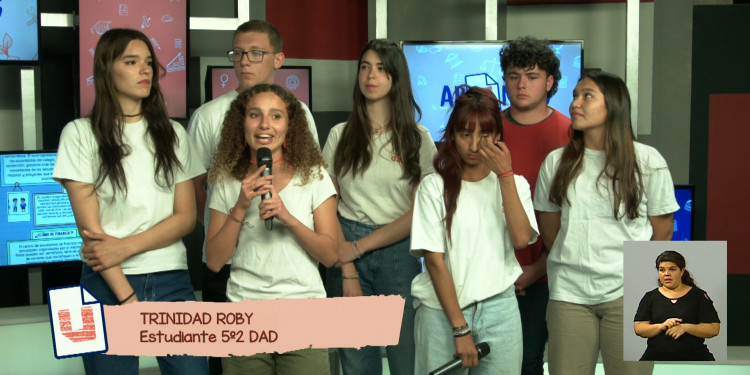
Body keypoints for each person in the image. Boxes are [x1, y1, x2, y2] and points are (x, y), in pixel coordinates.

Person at [52, 28, 207, 374]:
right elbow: (92, 236)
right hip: (103, 284)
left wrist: (124, 247)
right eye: (132, 61)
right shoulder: (78, 133)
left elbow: (186, 218)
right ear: (107, 69)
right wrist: (127, 299)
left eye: (149, 62)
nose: (145, 70)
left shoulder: (174, 133)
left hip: (172, 280)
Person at [186, 20, 319, 374]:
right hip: (229, 263)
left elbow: (309, 174)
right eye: (238, 53)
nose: (245, 61)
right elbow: (201, 189)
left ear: (278, 59)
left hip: (290, 275)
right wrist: (232, 229)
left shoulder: (300, 113)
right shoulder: (208, 115)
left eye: (256, 53)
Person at [534, 71, 679, 375]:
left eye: (587, 95)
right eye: (574, 95)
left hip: (630, 294)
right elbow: (550, 228)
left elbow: (663, 231)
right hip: (569, 295)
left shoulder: (648, 161)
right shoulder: (556, 162)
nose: (575, 103)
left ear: (613, 105)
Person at [322, 39, 437, 375]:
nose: (371, 75)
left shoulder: (418, 138)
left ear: (395, 77)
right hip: (344, 245)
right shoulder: (339, 135)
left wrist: (359, 247)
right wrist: (347, 264)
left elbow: (420, 214)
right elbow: (326, 206)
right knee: (357, 363)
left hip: (398, 252)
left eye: (381, 68)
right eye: (365, 67)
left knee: (404, 360)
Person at [205, 84, 337, 375]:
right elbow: (214, 260)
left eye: (276, 116)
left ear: (290, 126)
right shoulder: (227, 180)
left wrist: (288, 218)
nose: (265, 125)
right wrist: (240, 206)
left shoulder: (314, 176)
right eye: (255, 115)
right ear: (242, 123)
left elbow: (330, 254)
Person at [410, 86, 538, 374]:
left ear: (498, 136)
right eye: (466, 134)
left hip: (500, 308)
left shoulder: (515, 184)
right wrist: (460, 328)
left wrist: (504, 174)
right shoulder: (434, 187)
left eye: (485, 134)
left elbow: (521, 240)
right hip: (442, 311)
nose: (474, 144)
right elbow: (434, 261)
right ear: (453, 135)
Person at [499, 36, 570, 375]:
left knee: (528, 363)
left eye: (532, 75)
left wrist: (536, 270)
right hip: (490, 274)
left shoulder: (571, 135)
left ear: (551, 81)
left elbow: (573, 218)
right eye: (514, 76)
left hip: (545, 275)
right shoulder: (484, 131)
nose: (522, 84)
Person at [634, 250, 720, 361]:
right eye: (662, 270)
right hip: (656, 356)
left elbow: (714, 328)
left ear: (682, 271)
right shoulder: (650, 297)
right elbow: (639, 328)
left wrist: (685, 328)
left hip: (694, 356)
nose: (666, 274)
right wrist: (661, 326)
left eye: (672, 269)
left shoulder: (698, 296)